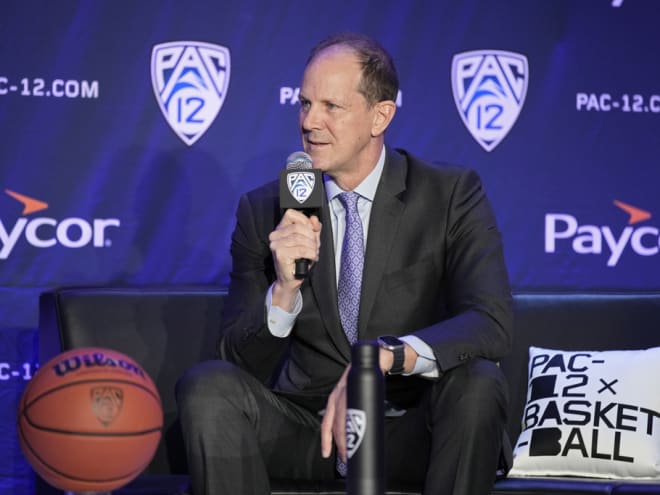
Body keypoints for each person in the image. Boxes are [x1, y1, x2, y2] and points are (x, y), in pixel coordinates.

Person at [176, 32, 513, 495]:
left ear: (381, 116)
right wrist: (283, 291)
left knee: (478, 383)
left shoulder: (449, 195)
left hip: (406, 430)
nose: (310, 121)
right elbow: (236, 360)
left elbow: (489, 322)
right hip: (304, 433)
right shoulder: (264, 210)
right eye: (304, 103)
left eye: (331, 107)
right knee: (209, 385)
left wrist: (377, 363)